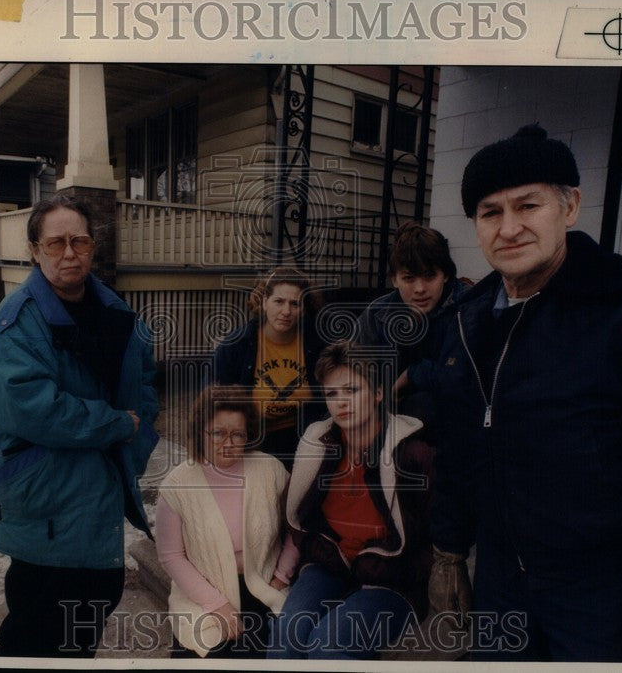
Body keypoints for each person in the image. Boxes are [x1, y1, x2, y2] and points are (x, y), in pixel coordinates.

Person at [405, 124, 622, 662]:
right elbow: (460, 447)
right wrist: (450, 550)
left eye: (528, 206)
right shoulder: (465, 322)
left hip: (601, 593)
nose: (509, 228)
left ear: (569, 207)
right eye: (490, 212)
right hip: (501, 585)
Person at [0, 195, 159, 657]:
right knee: (37, 634)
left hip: (97, 496)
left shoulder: (116, 313)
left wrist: (126, 455)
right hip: (45, 503)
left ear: (93, 247)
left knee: (88, 614)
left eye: (80, 240)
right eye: (56, 243)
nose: (69, 253)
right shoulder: (14, 324)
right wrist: (115, 427)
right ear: (34, 250)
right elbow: (35, 409)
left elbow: (146, 397)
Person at [269, 341, 435, 660]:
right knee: (286, 635)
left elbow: (437, 527)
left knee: (326, 645)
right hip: (331, 564)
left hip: (391, 579)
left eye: (352, 390)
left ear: (377, 394)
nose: (342, 402)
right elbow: (301, 518)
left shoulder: (412, 454)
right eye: (332, 394)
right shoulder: (319, 444)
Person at [155, 384, 299, 658]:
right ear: (201, 432)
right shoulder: (177, 484)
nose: (228, 443)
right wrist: (216, 604)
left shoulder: (270, 470)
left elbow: (296, 525)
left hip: (262, 585)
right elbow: (171, 556)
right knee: (206, 651)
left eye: (237, 434)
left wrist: (281, 576)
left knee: (264, 653)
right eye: (218, 433)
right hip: (202, 592)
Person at [212, 267, 326, 470]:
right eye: (279, 301)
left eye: (295, 304)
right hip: (251, 439)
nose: (286, 312)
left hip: (301, 438)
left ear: (303, 308)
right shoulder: (235, 346)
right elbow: (213, 403)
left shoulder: (316, 345)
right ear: (264, 301)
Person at [357, 221, 469, 423]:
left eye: (429, 276)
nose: (420, 289)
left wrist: (414, 374)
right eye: (409, 278)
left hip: (453, 428)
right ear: (395, 280)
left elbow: (467, 380)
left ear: (445, 275)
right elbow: (350, 377)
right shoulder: (376, 315)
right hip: (385, 423)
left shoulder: (469, 310)